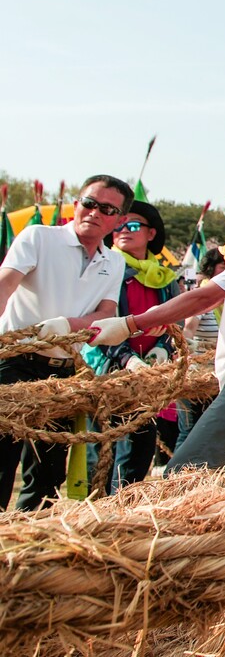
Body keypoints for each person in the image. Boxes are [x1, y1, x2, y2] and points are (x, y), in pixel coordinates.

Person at [89, 172, 225, 475]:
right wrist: (163, 320)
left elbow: (204, 298)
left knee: (183, 473)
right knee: (200, 472)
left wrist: (129, 324)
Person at [0, 175, 129, 509]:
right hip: (14, 364)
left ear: (117, 219)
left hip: (63, 370)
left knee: (47, 473)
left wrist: (70, 325)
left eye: (106, 208)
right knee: (1, 461)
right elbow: (5, 285)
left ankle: (33, 548)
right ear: (76, 204)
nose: (94, 212)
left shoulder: (114, 261)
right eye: (89, 203)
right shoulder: (39, 237)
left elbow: (106, 314)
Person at [84, 198, 182, 491]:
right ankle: (94, 518)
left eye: (134, 225)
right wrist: (127, 359)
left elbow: (174, 321)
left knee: (138, 453)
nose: (125, 230)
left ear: (151, 234)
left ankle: (125, 518)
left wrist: (163, 348)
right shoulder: (104, 271)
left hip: (149, 378)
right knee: (102, 453)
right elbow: (97, 326)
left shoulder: (166, 280)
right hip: (107, 373)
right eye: (120, 226)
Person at [176, 250, 225, 453]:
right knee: (189, 428)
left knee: (214, 429)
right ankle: (177, 474)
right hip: (197, 372)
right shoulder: (203, 298)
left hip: (219, 372)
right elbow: (190, 326)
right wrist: (186, 345)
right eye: (223, 267)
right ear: (211, 269)